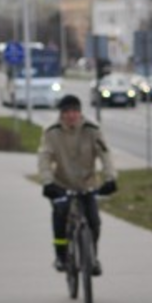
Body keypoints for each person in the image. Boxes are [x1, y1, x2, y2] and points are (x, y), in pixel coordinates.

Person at [37, 94, 118, 275]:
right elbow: (44, 158)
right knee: (60, 214)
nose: (71, 115)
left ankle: (92, 259)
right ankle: (61, 256)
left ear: (80, 113)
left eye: (75, 111)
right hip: (61, 185)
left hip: (87, 185)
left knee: (94, 222)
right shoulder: (51, 132)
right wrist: (47, 182)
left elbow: (105, 155)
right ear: (61, 114)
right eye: (66, 112)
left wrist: (110, 178)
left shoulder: (92, 130)